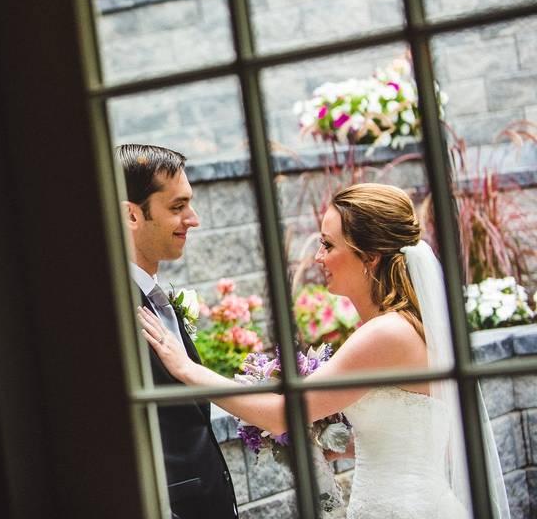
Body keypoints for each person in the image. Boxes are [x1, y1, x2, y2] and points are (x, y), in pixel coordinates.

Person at [139, 182, 510, 519]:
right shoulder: (406, 327)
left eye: (328, 244)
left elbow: (283, 413)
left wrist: (187, 369)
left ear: (370, 257)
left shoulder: (385, 335)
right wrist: (350, 446)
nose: (317, 257)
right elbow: (433, 439)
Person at [116, 144, 239, 519]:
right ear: (131, 215)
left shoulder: (152, 296)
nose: (194, 219)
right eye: (177, 207)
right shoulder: (114, 309)